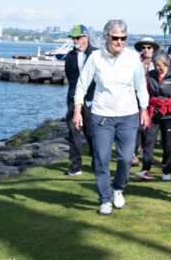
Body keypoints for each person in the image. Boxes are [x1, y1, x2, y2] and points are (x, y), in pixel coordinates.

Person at [73, 19, 149, 216]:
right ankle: (104, 199)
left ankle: (118, 188)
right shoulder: (96, 57)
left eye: (123, 38)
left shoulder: (133, 58)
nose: (119, 42)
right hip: (101, 115)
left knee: (125, 159)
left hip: (128, 115)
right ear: (107, 37)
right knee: (101, 158)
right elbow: (82, 84)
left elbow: (141, 85)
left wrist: (144, 108)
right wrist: (77, 109)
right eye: (115, 38)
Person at [135, 50, 171, 181]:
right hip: (153, 113)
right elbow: (144, 93)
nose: (158, 68)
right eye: (155, 65)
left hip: (170, 114)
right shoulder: (149, 76)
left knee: (168, 144)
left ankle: (166, 171)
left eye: (160, 65)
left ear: (166, 63)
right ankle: (145, 170)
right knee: (148, 141)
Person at [64, 24, 96, 176]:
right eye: (73, 38)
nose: (75, 41)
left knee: (91, 132)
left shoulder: (96, 54)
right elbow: (71, 78)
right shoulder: (70, 56)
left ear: (86, 38)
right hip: (73, 98)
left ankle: (96, 161)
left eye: (77, 38)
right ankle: (75, 165)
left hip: (92, 99)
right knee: (73, 131)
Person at [131, 37, 160, 167]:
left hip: (153, 99)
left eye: (149, 47)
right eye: (143, 48)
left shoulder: (158, 62)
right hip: (137, 98)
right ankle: (134, 155)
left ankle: (148, 154)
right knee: (137, 128)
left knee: (150, 130)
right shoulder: (135, 62)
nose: (146, 50)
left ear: (153, 49)